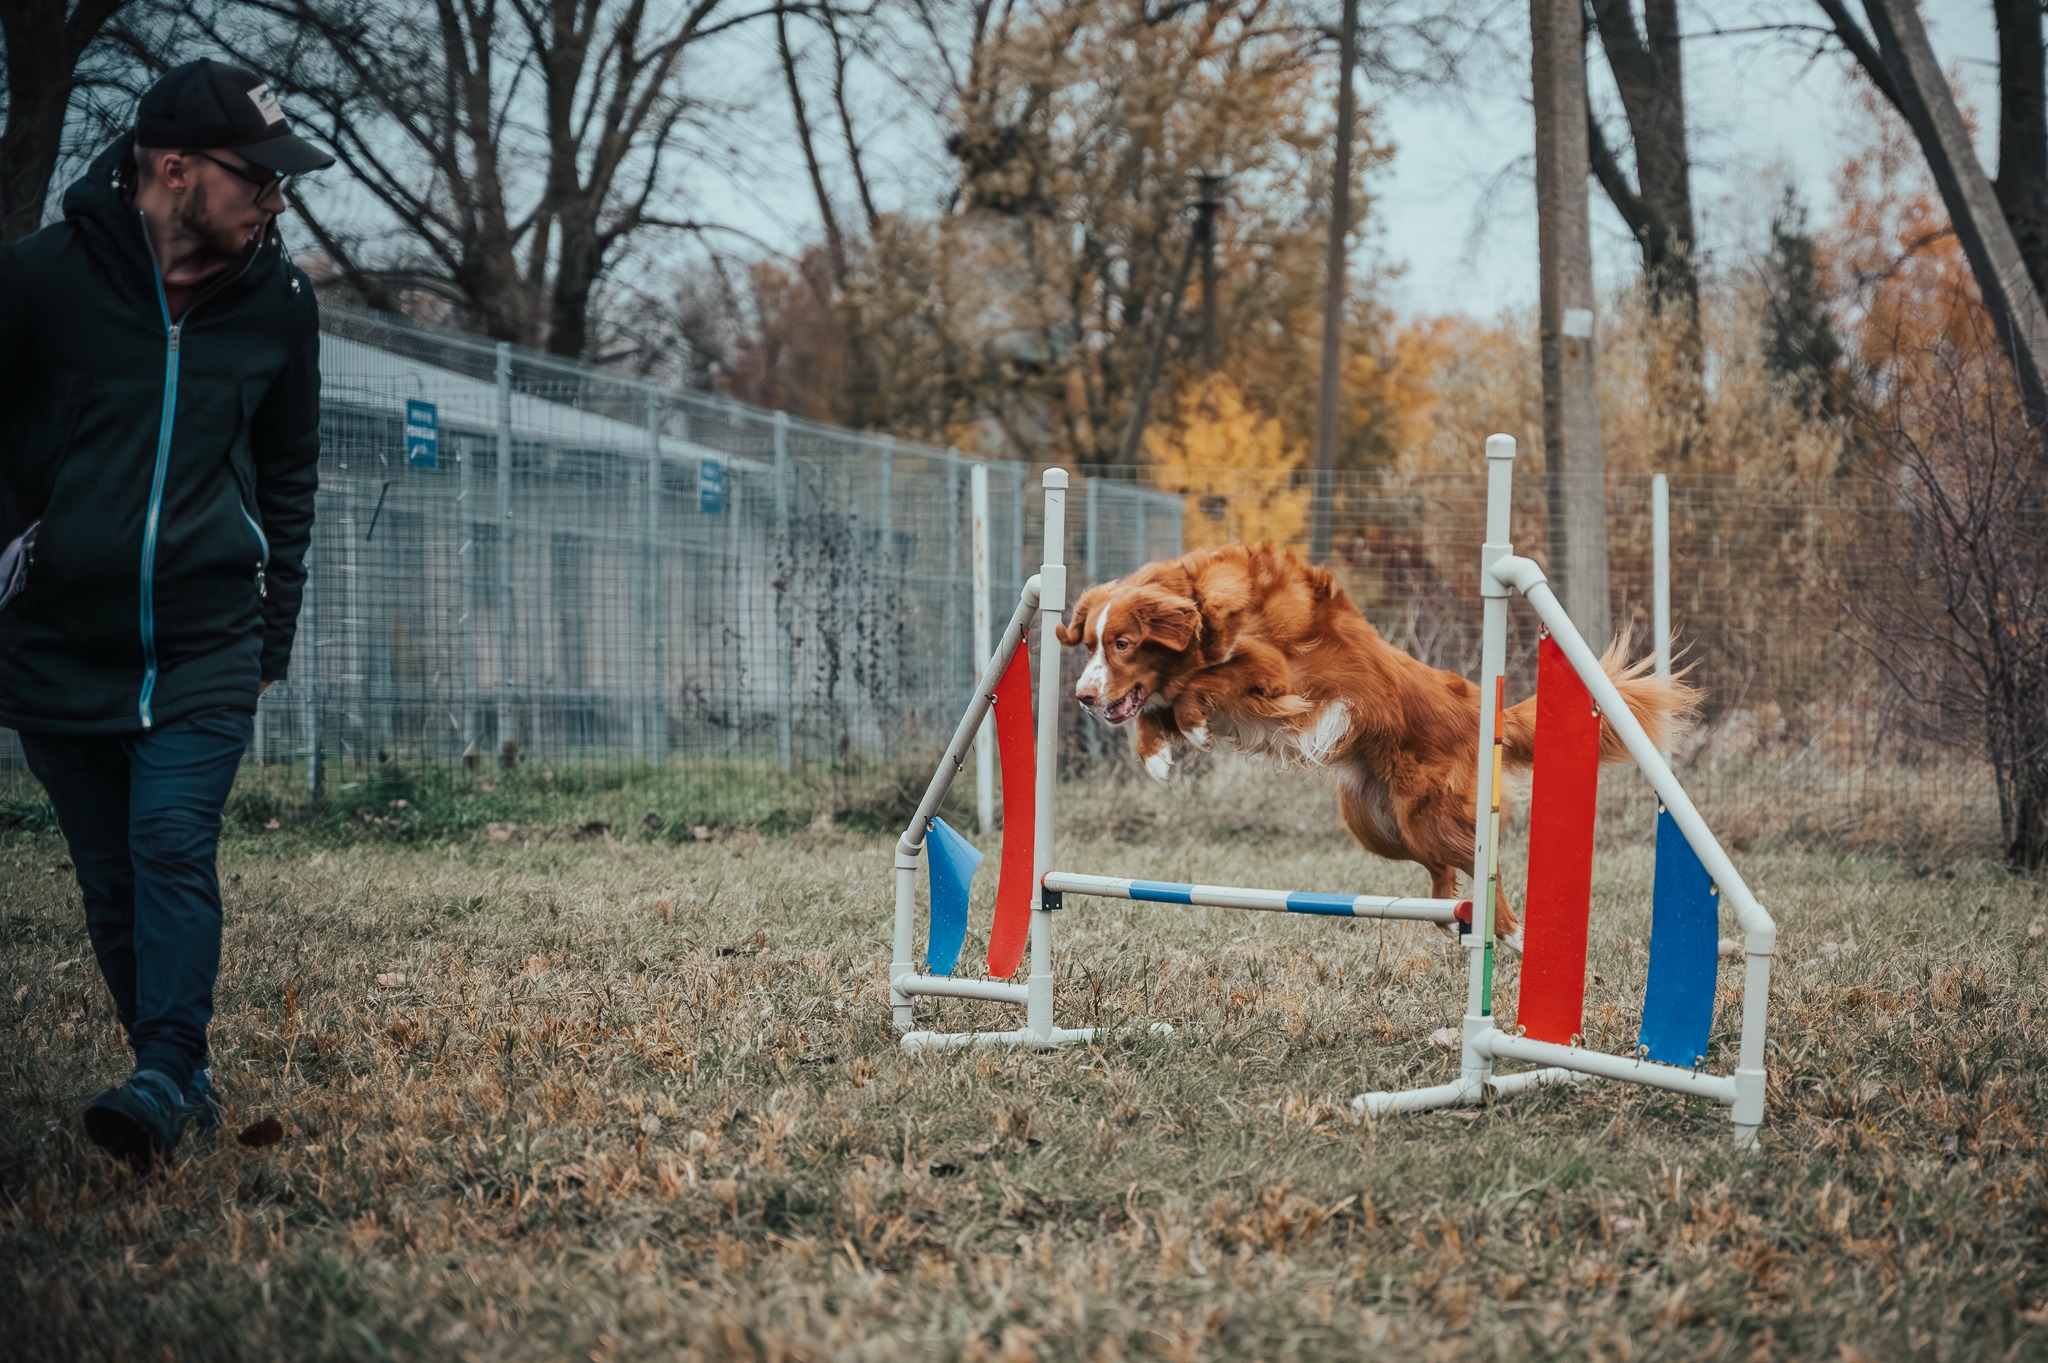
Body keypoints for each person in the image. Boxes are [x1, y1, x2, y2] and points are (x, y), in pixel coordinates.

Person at [0, 59, 334, 1165]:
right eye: (260, 179)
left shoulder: (280, 305)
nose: (276, 201)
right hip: (57, 645)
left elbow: (288, 475)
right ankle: (178, 1082)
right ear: (177, 169)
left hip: (205, 639)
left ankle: (160, 1072)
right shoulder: (38, 283)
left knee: (171, 846)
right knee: (110, 882)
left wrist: (272, 632)